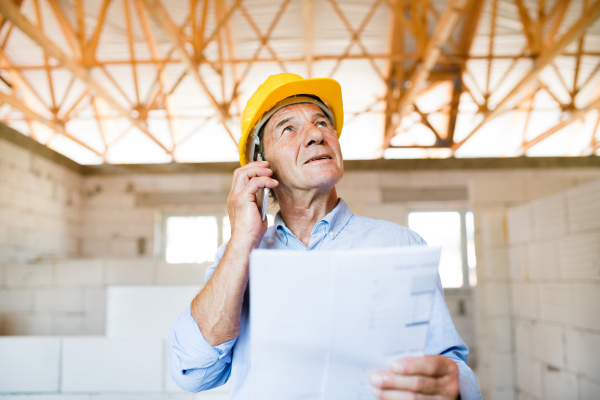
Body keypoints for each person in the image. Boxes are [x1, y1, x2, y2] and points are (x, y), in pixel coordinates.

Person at [168, 73, 482, 400]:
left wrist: (453, 385)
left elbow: (449, 364)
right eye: (288, 128)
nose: (316, 134)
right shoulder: (237, 260)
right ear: (261, 165)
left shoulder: (400, 245)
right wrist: (242, 240)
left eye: (322, 123)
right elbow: (192, 371)